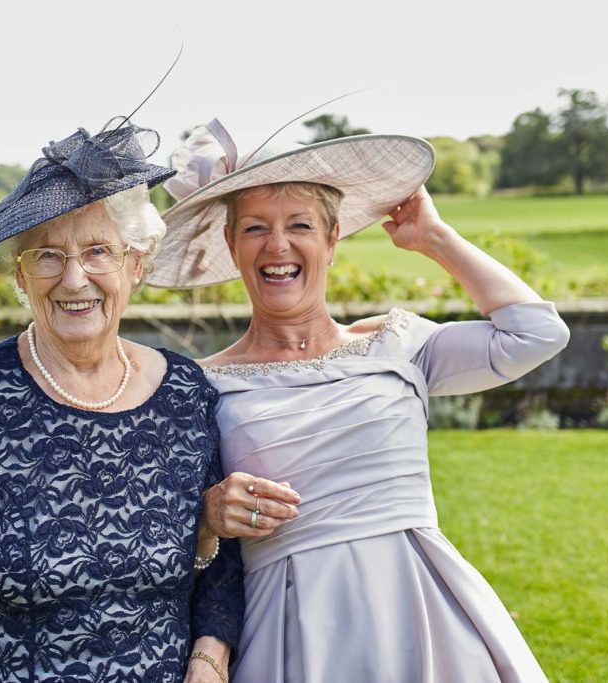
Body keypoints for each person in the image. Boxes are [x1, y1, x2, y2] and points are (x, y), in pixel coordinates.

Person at [147, 119, 570, 682]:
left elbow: (536, 334)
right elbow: (169, 536)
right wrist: (209, 517)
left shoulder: (398, 346)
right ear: (232, 245)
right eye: (254, 228)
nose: (277, 245)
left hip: (424, 615)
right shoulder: (199, 386)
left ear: (331, 239)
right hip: (292, 633)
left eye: (299, 224)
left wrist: (433, 238)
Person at [0, 120, 243, 683]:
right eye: (46, 255)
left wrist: (208, 662)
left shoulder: (186, 392)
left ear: (136, 265)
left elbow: (217, 555)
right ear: (19, 276)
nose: (74, 279)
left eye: (99, 251)